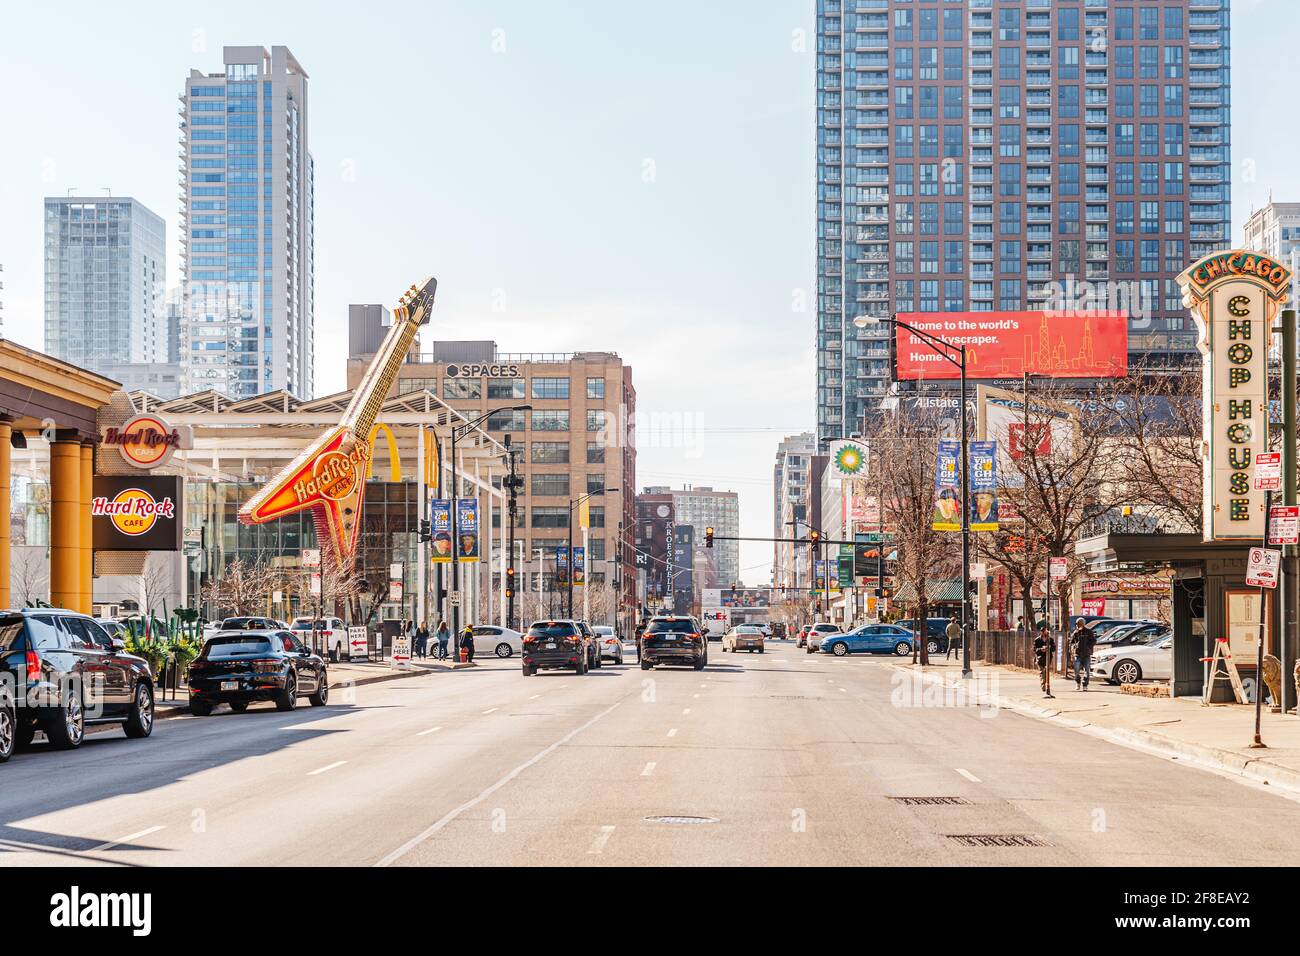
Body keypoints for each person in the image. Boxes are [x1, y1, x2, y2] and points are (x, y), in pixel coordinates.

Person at [1069, 619, 1096, 691]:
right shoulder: (1075, 633)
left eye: (1078, 624)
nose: (1077, 625)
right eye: (1077, 624)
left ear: (1083, 624)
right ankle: (1078, 682)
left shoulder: (1089, 631)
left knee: (1087, 670)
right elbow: (1071, 643)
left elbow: (1093, 641)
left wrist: (1088, 647)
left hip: (1086, 654)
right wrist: (1074, 647)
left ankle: (1085, 684)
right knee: (1076, 669)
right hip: (1077, 654)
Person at [1033, 622, 1056, 697]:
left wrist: (1048, 648)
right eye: (1042, 631)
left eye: (1045, 631)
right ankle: (1043, 685)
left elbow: (1054, 648)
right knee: (1042, 672)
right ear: (1040, 632)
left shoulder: (1050, 640)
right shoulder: (1037, 640)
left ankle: (1046, 685)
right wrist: (1041, 649)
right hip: (1040, 658)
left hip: (1048, 658)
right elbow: (1034, 649)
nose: (1044, 632)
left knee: (1046, 672)